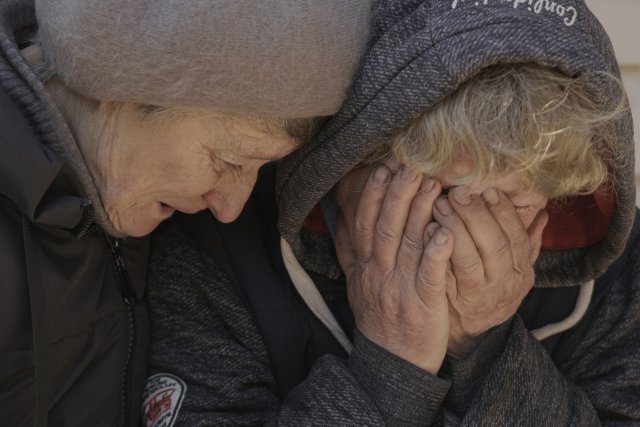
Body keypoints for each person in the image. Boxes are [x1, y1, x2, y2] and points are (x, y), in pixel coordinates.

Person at [146, 0, 639, 425]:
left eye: (512, 203)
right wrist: (391, 364)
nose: (462, 240)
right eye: (438, 193)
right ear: (347, 157)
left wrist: (485, 347)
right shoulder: (219, 237)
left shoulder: (621, 274)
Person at [0, 0, 373, 425]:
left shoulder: (124, 213)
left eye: (260, 170)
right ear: (118, 86)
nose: (230, 209)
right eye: (228, 160)